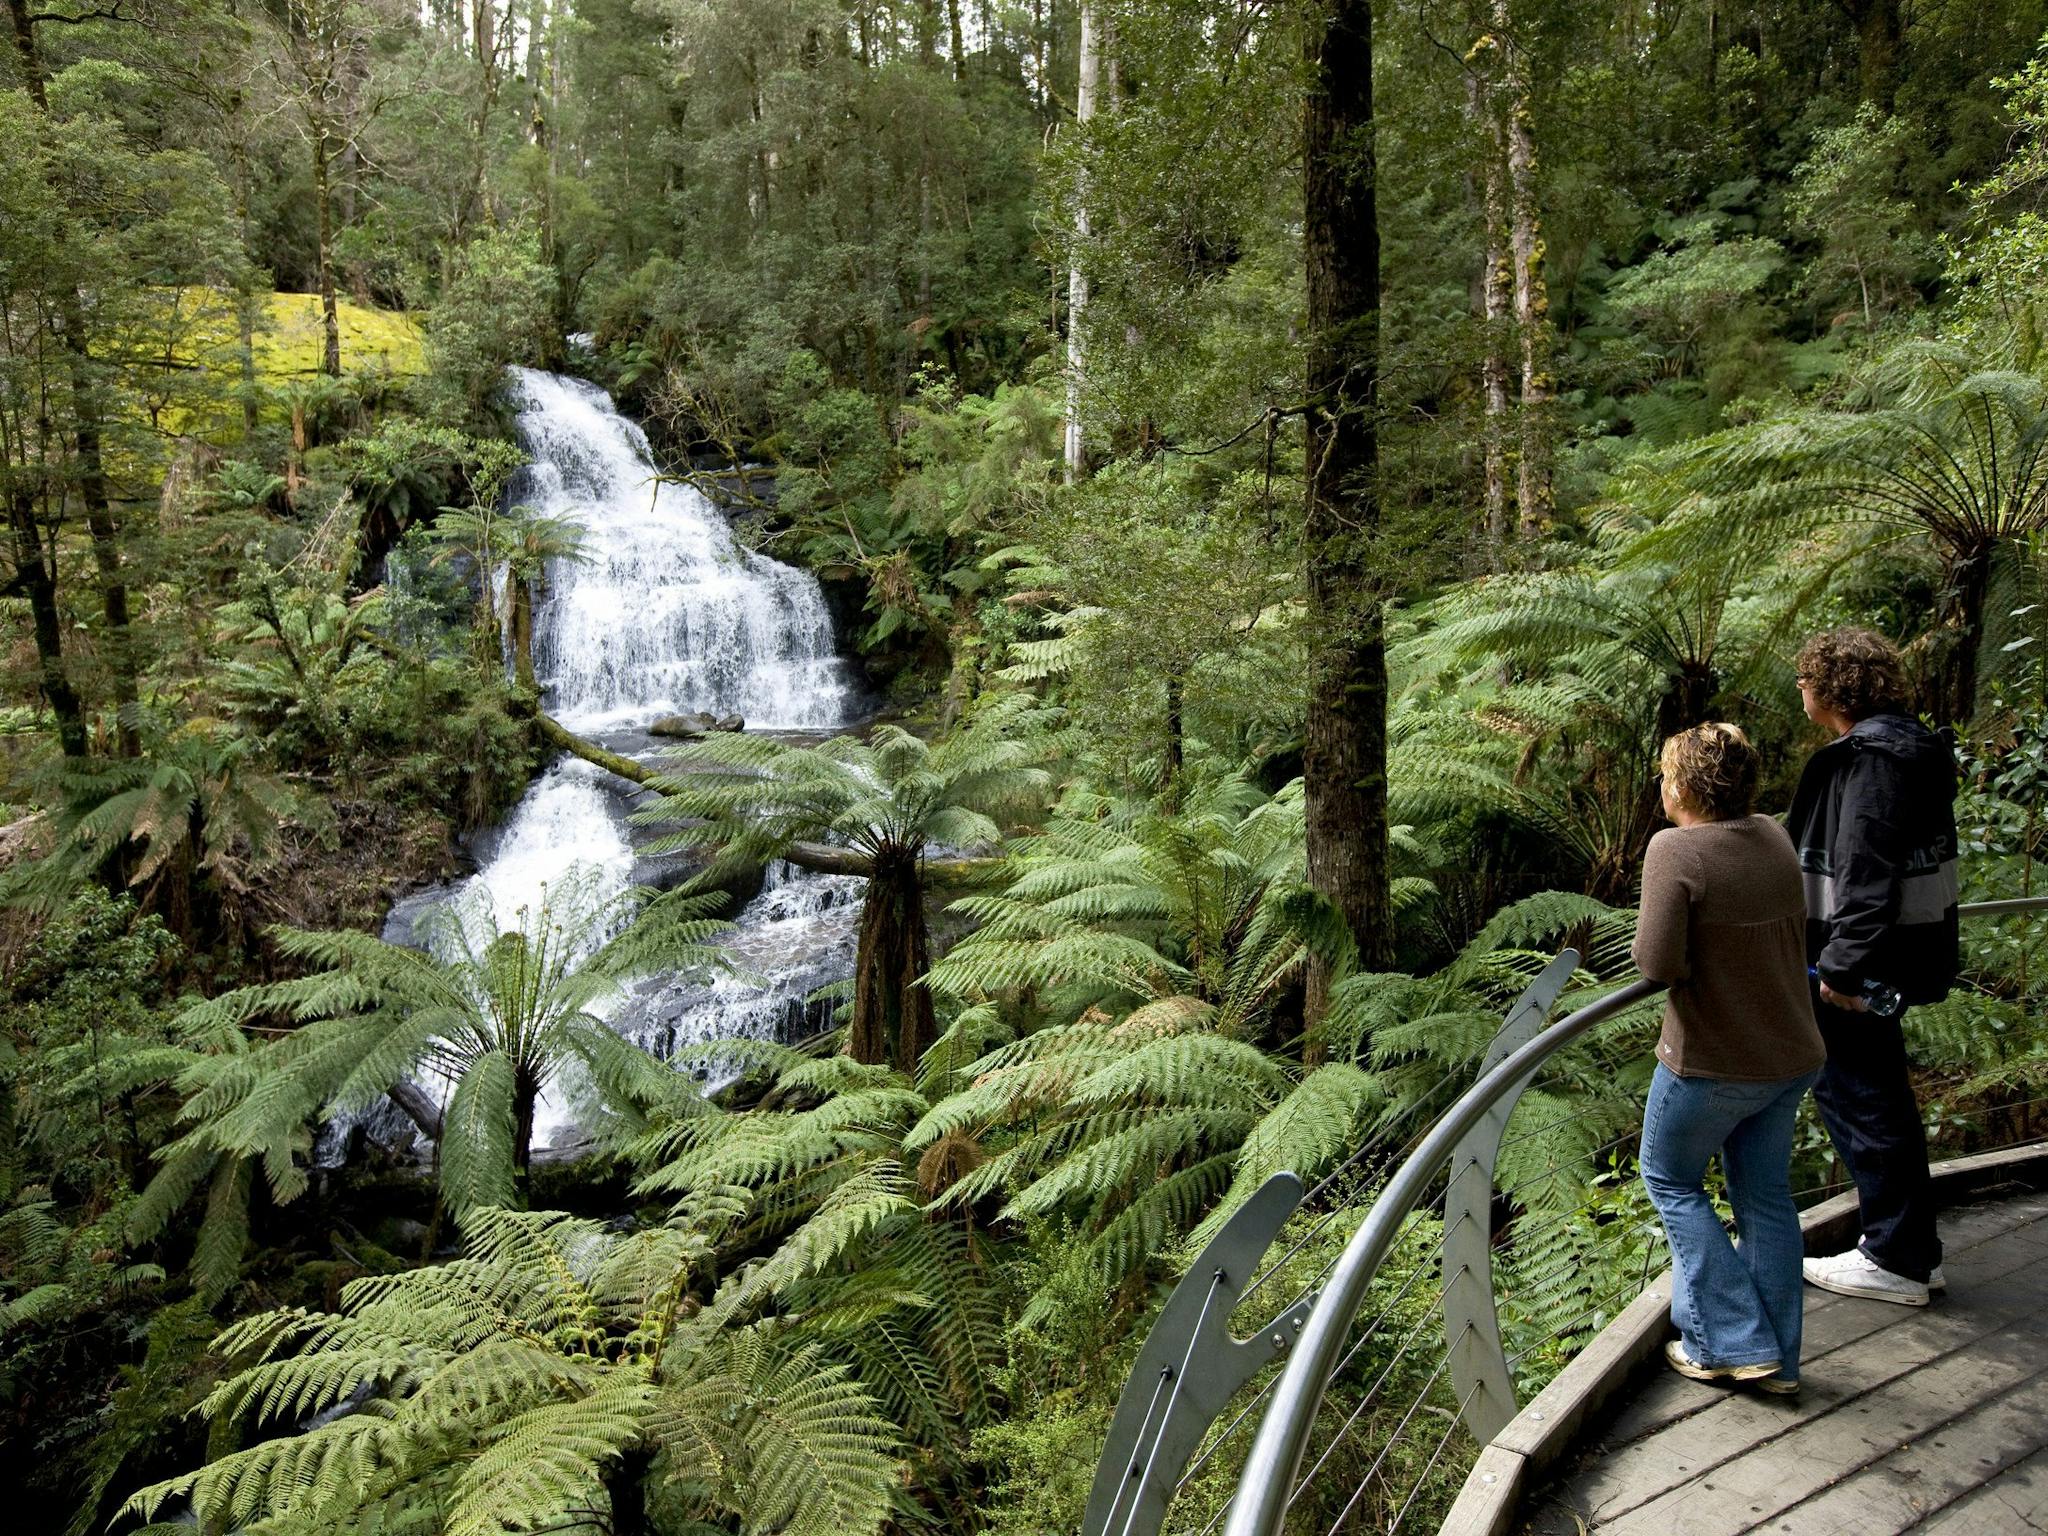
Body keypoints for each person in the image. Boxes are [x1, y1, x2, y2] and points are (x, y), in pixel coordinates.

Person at [1633, 723, 1824, 1395]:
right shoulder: (1770, 834)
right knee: (1766, 1198)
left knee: (1670, 1180)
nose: (1661, 787)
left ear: (1682, 786)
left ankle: (1728, 1343)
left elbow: (1656, 963)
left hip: (1713, 1063)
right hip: (1792, 1051)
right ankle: (1779, 1362)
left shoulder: (1676, 849)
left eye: (1663, 776)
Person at [1788, 627, 1960, 1306]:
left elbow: (1864, 871)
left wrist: (1843, 966)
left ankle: (1896, 1257)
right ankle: (1910, 1248)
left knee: (1863, 1100)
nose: (1800, 691)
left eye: (1805, 680)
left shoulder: (1872, 761)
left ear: (1831, 689)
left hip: (1862, 964)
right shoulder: (1906, 749)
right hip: (1895, 952)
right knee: (1879, 1095)